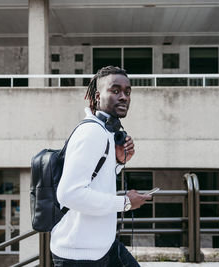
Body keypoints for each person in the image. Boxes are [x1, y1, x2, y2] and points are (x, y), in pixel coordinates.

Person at [50, 66, 151, 266]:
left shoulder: (105, 132)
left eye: (127, 92)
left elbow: (93, 180)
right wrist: (124, 203)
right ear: (97, 96)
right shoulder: (92, 133)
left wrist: (118, 163)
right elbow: (69, 194)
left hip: (102, 246)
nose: (123, 97)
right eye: (115, 91)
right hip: (80, 255)